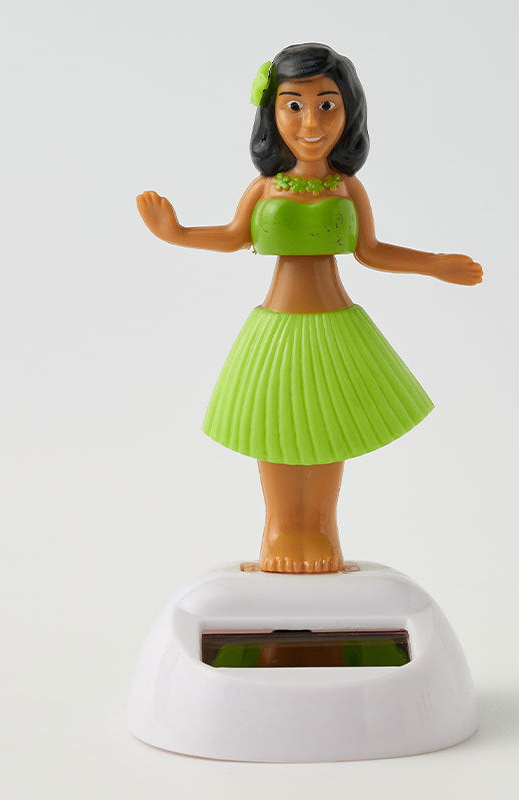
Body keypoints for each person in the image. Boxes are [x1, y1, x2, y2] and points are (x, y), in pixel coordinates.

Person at [137, 43, 482, 574]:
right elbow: (233, 236)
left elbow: (371, 251)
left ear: (349, 111)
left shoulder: (347, 188)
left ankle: (320, 528)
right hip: (276, 329)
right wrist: (176, 233)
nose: (311, 122)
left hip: (336, 327)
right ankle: (280, 527)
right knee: (274, 426)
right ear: (272, 114)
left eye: (327, 105)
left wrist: (434, 264)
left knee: (328, 426)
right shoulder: (265, 188)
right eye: (293, 105)